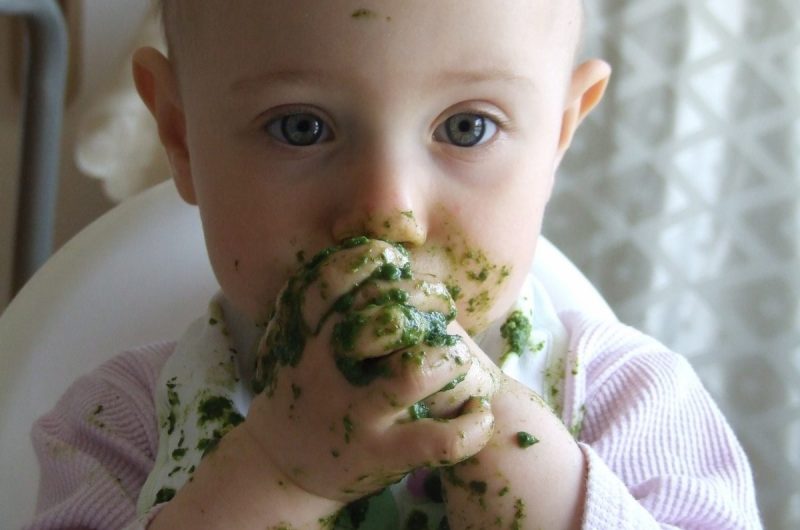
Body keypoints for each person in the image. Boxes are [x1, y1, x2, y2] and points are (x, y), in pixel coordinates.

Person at [26, 1, 763, 529]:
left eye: (467, 127)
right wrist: (277, 475)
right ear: (181, 137)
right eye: (301, 127)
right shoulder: (113, 432)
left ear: (558, 136)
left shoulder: (634, 408)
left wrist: (516, 459)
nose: (387, 211)